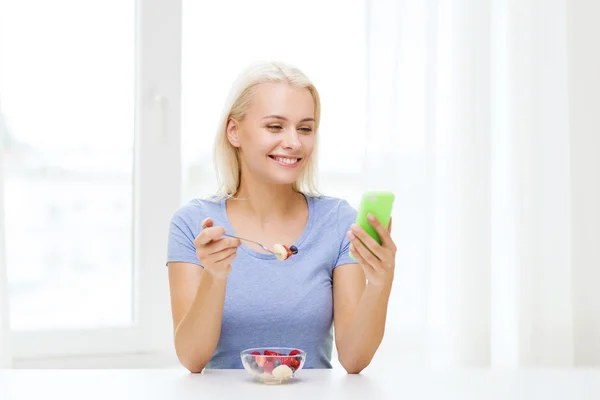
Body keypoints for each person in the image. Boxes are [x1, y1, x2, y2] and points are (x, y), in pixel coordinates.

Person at [166, 61, 397, 374]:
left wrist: (380, 282)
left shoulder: (338, 221)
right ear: (234, 131)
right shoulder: (193, 223)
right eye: (275, 127)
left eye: (305, 128)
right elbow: (192, 359)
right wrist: (215, 276)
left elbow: (354, 360)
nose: (294, 142)